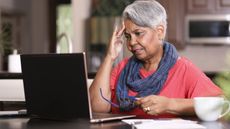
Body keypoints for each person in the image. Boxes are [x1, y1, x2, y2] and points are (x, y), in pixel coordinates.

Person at [89, 0, 223, 118]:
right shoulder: (122, 68)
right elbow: (97, 108)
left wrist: (170, 104)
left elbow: (220, 105)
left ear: (160, 31)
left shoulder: (183, 69)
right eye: (128, 36)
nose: (131, 42)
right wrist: (110, 57)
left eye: (138, 33)